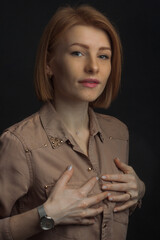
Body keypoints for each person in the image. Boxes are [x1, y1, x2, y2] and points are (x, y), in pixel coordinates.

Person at [0, 4, 145, 240]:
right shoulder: (19, 144)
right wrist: (46, 215)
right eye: (78, 52)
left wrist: (139, 191)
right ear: (49, 64)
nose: (93, 67)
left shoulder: (118, 133)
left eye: (103, 55)